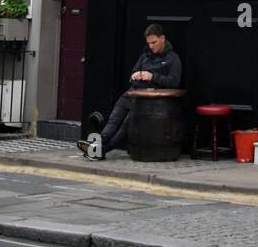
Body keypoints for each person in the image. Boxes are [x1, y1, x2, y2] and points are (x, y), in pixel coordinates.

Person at [78, 24, 182, 160]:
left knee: (125, 127)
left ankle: (99, 150)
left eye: (154, 42)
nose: (151, 46)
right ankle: (99, 146)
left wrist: (152, 77)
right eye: (149, 43)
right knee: (113, 120)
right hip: (132, 92)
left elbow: (174, 82)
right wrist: (135, 75)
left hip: (148, 101)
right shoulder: (145, 55)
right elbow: (133, 72)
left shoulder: (173, 59)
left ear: (162, 38)